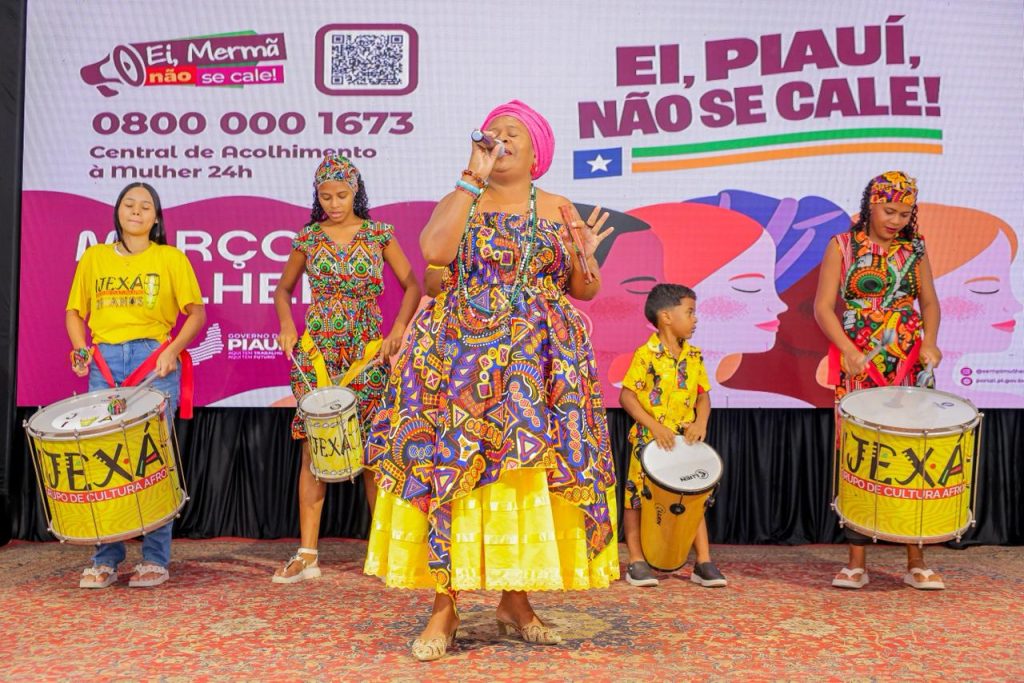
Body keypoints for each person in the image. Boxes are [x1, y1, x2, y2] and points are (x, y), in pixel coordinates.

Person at [363, 100, 618, 661]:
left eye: (513, 133)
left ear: (536, 152)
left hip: (537, 361)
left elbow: (584, 288)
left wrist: (586, 258)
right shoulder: (463, 197)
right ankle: (445, 606)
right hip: (458, 357)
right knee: (452, 468)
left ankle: (514, 601)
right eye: (493, 131)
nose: (500, 139)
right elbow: (434, 255)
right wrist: (470, 178)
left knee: (521, 474)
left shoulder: (559, 207)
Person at [272, 153, 421, 583]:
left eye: (341, 195)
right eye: (326, 196)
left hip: (366, 352)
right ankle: (307, 555)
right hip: (318, 352)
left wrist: (398, 329)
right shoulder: (308, 237)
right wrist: (287, 325)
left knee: (372, 449)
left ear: (355, 192)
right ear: (316, 196)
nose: (334, 203)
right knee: (313, 449)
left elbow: (412, 284)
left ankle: (382, 552)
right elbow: (283, 290)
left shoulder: (378, 234)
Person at [66, 182, 206, 588]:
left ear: (156, 218)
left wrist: (172, 350)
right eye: (129, 205)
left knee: (152, 460)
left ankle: (155, 559)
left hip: (153, 362)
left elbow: (196, 313)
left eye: (146, 207)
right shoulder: (95, 257)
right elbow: (74, 312)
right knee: (104, 460)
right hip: (106, 363)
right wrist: (80, 349)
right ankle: (105, 558)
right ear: (118, 211)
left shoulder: (171, 258)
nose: (137, 212)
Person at [813, 170, 945, 590]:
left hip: (907, 363)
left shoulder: (915, 249)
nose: (896, 220)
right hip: (859, 362)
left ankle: (916, 560)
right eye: (889, 211)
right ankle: (856, 562)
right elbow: (823, 307)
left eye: (904, 213)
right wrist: (848, 351)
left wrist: (930, 343)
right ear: (871, 205)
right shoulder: (841, 245)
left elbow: (929, 303)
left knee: (912, 453)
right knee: (859, 453)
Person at [619, 283, 724, 588]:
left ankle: (703, 561)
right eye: (689, 312)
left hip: (684, 442)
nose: (695, 319)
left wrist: (700, 422)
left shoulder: (694, 356)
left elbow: (703, 395)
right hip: (649, 441)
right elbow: (627, 396)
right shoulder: (645, 355)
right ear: (666, 317)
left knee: (693, 499)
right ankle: (636, 561)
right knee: (636, 498)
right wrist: (654, 427)